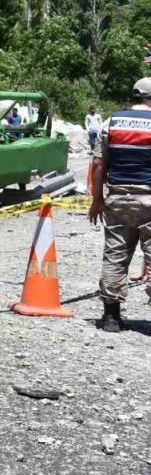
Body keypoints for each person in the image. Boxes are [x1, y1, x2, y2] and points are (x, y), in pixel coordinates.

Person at [88, 77, 151, 332]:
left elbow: (99, 164)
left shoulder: (111, 122)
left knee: (115, 256)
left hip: (117, 198)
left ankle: (111, 317)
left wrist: (97, 200)